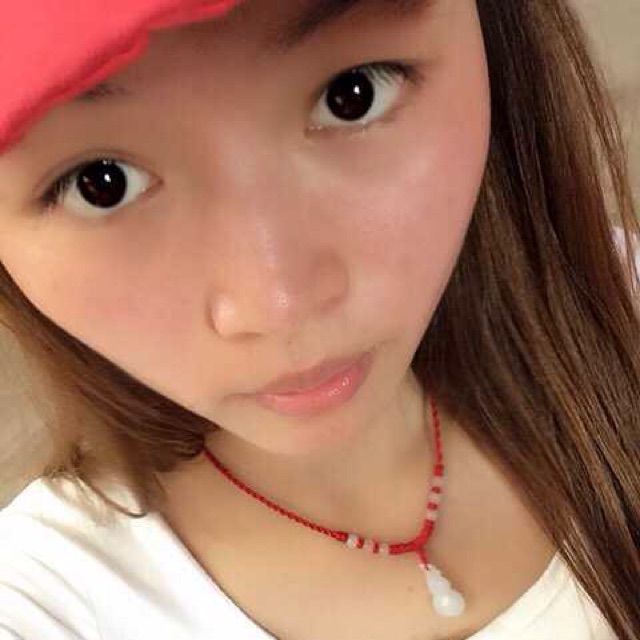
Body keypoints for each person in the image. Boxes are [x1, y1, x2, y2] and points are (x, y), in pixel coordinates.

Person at [0, 0, 638, 638]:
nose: (279, 304)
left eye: (352, 96)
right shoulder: (43, 603)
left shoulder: (620, 304)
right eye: (101, 183)